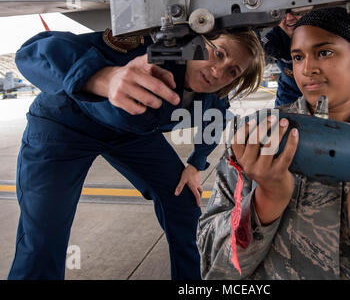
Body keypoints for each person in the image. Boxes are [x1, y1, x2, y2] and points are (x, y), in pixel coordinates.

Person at [197, 7, 350, 279]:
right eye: (297, 57)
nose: (307, 69)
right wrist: (263, 204)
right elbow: (215, 266)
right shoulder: (256, 138)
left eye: (324, 52)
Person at [8, 28, 264, 280]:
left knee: (184, 202)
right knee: (45, 231)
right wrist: (103, 77)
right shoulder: (148, 49)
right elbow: (32, 51)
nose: (218, 71)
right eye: (218, 53)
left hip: (130, 134)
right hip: (65, 123)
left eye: (232, 71)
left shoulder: (211, 93)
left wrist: (195, 165)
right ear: (197, 40)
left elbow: (215, 119)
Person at [261, 8, 303, 106]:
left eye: (295, 11)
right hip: (289, 95)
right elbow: (256, 55)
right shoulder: (273, 38)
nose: (289, 18)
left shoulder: (323, 31)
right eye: (281, 13)